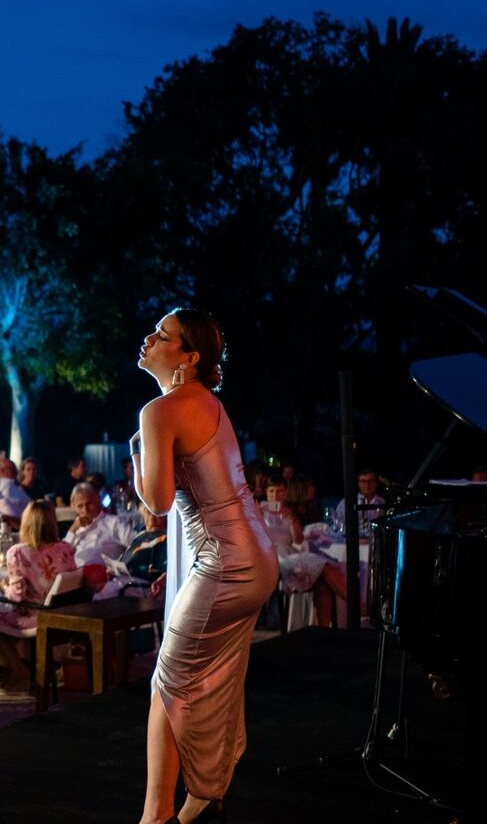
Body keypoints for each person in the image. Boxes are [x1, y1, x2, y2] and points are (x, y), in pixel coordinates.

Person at [130, 308, 277, 824]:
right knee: (217, 676)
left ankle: (156, 814)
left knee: (169, 682)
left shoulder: (160, 411)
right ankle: (204, 795)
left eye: (162, 335)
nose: (149, 337)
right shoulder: (208, 403)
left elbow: (159, 501)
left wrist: (136, 450)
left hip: (226, 566)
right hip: (255, 559)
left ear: (188, 357)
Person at [0, 501, 76, 691]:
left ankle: (19, 670)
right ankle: (25, 666)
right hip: (62, 612)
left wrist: (3, 586)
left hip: (36, 616)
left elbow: (16, 596)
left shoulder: (18, 553)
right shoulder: (65, 549)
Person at [260, 479, 346, 628]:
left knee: (322, 585)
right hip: (275, 559)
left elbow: (298, 540)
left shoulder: (288, 512)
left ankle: (324, 630)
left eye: (279, 491)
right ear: (267, 493)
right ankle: (357, 605)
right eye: (272, 491)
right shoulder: (259, 512)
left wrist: (291, 520)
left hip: (291, 553)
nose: (275, 495)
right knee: (323, 566)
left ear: (285, 493)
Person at [65, 482, 138, 568]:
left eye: (88, 504)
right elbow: (63, 554)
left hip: (106, 576)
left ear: (97, 500)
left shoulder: (113, 523)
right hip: (76, 575)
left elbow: (136, 544)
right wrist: (73, 529)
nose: (85, 510)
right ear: (74, 507)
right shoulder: (76, 530)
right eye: (80, 506)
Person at [330, 467, 387, 535]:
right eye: (363, 481)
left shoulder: (382, 503)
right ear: (358, 483)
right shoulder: (347, 502)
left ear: (376, 483)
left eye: (371, 481)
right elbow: (336, 526)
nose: (367, 484)